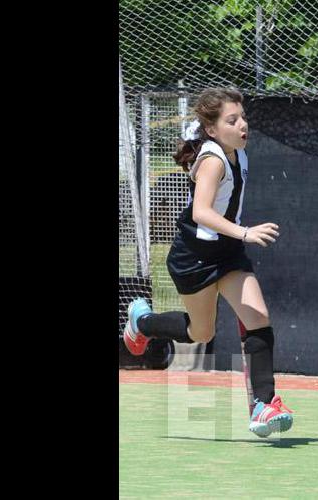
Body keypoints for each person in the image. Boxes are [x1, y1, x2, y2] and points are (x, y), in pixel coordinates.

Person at [122, 88, 294, 438]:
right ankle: (143, 321)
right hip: (194, 257)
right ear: (212, 130)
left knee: (257, 315)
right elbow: (201, 213)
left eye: (243, 117)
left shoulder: (239, 153)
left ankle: (263, 405)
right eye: (232, 121)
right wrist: (245, 233)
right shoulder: (214, 159)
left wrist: (238, 238)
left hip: (227, 252)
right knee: (201, 332)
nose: (242, 124)